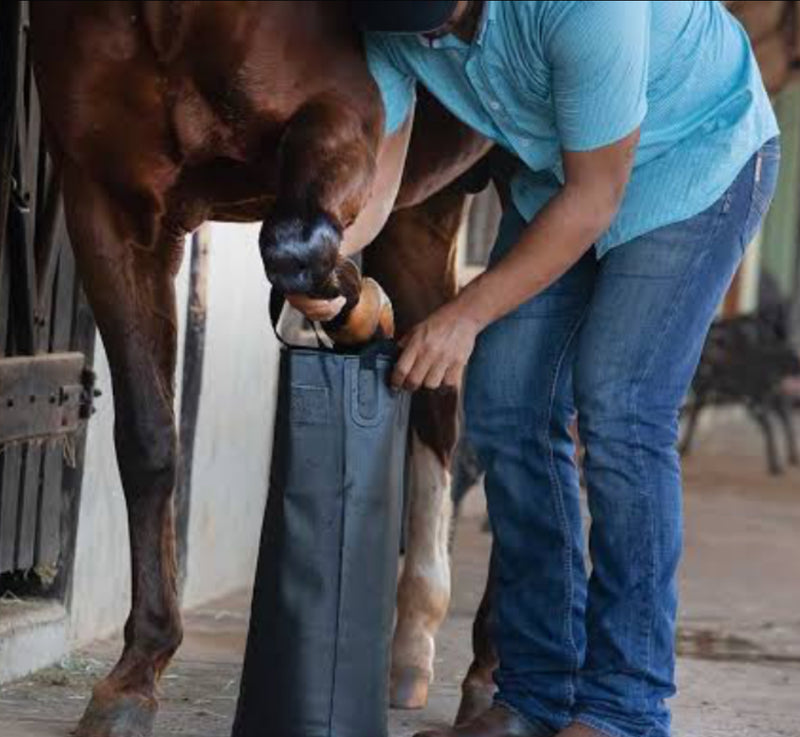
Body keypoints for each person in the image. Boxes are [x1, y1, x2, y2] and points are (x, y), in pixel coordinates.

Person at [290, 2, 780, 736]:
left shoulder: (585, 9)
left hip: (694, 157)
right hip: (568, 175)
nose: (428, 43)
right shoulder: (392, 18)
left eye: (439, 26)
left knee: (620, 407)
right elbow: (381, 184)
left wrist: (464, 312)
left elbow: (598, 197)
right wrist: (321, 249)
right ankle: (535, 693)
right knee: (505, 403)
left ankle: (624, 709)